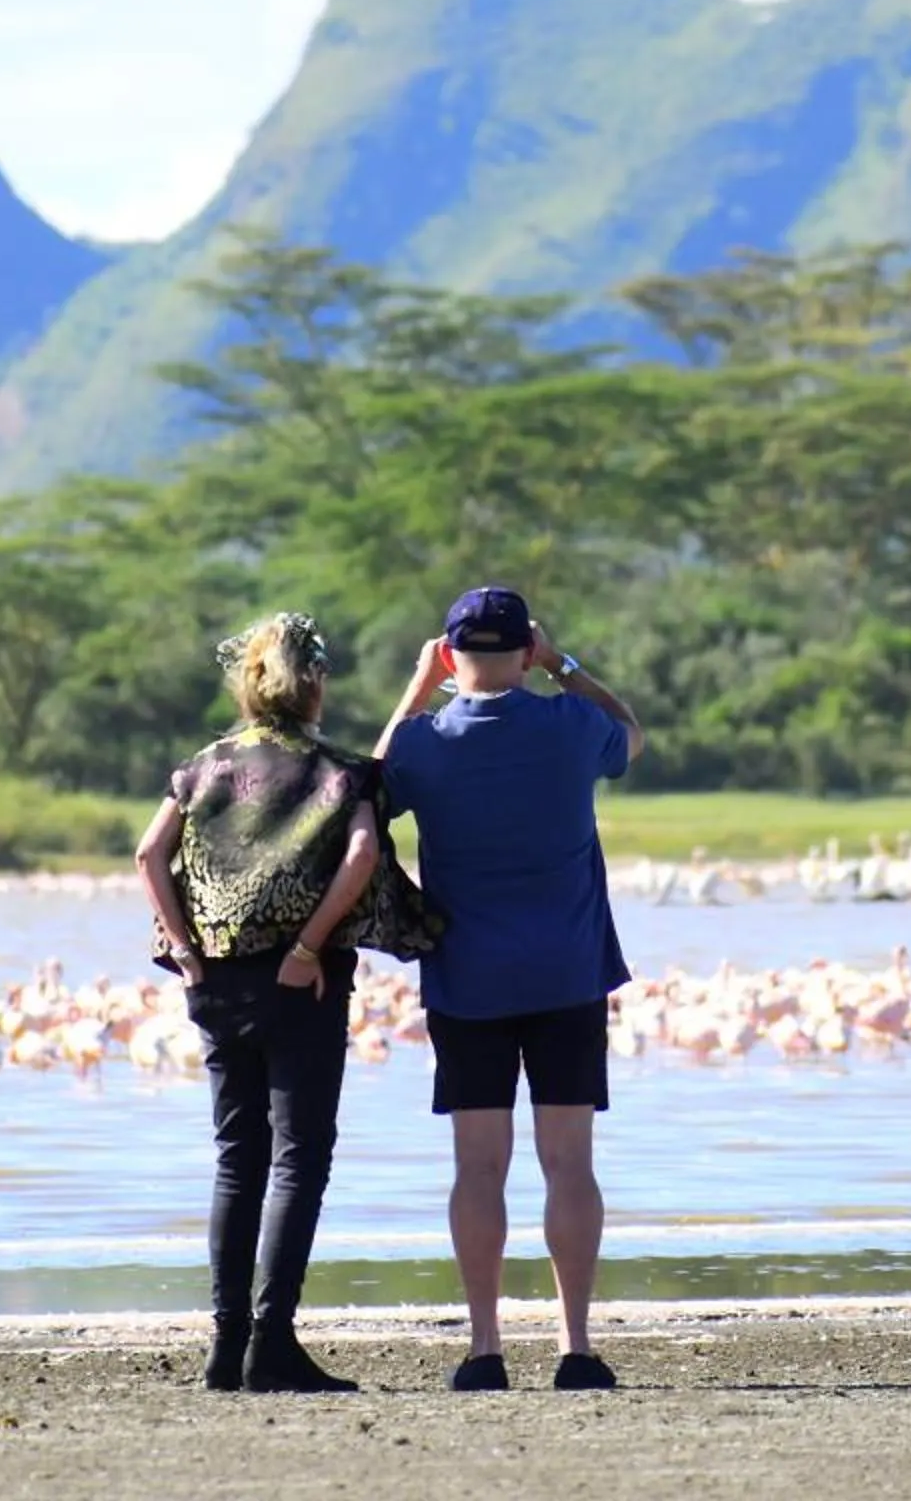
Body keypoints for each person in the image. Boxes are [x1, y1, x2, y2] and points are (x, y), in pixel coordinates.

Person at [135, 610, 436, 1394]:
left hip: (218, 986)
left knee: (238, 1160)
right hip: (303, 984)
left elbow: (149, 855)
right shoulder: (340, 772)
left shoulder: (203, 766)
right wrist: (308, 948)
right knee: (299, 1158)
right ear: (315, 683)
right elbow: (365, 852)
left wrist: (187, 952)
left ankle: (224, 1348)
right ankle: (272, 1343)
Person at [378, 584, 644, 1392]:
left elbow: (369, 782)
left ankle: (485, 1348)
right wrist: (564, 663)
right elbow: (632, 734)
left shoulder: (426, 741)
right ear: (525, 651)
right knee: (569, 1163)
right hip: (566, 974)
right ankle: (575, 1347)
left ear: (452, 654)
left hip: (467, 982)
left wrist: (419, 688)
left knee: (478, 1167)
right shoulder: (570, 726)